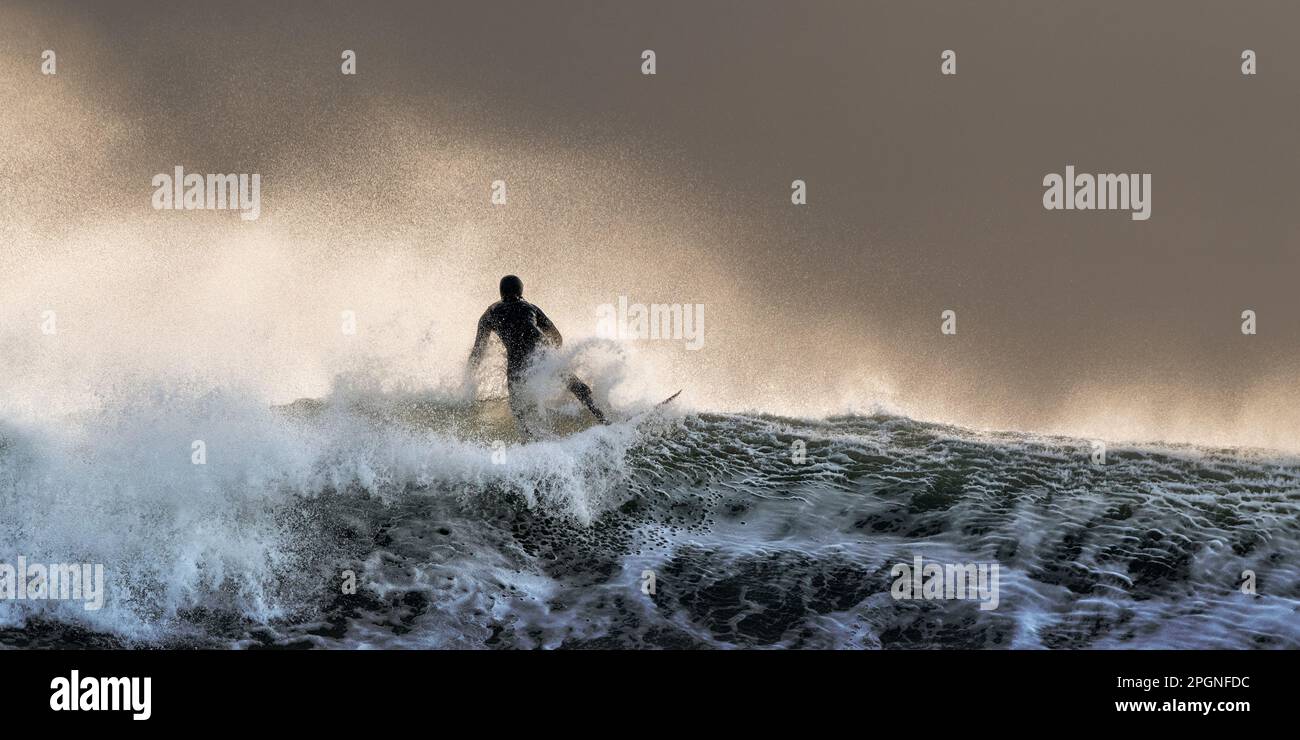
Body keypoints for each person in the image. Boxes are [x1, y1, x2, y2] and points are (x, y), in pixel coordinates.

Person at [467, 275, 608, 438]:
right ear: (521, 291)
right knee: (575, 385)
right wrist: (554, 358)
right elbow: (557, 337)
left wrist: (467, 380)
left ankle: (531, 440)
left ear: (501, 292)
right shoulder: (530, 307)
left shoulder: (489, 313)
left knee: (517, 408)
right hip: (541, 355)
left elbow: (478, 350)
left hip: (516, 361)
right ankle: (604, 419)